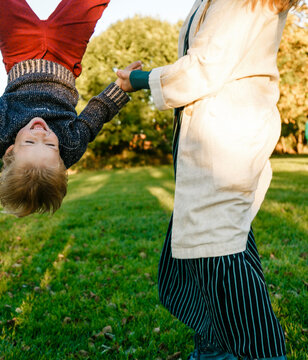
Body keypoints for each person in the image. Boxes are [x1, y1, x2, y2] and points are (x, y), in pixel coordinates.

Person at [117, 0, 299, 358]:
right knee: (215, 244)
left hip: (226, 137)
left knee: (217, 250)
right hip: (214, 136)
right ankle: (216, 347)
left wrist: (136, 79)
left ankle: (259, 353)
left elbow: (203, 68)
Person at [0, 0, 141, 217]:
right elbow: (95, 116)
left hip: (20, 48)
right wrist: (120, 89)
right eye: (51, 145)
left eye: (30, 142)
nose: (41, 133)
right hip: (66, 52)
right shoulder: (71, 146)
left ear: (10, 151)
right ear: (62, 160)